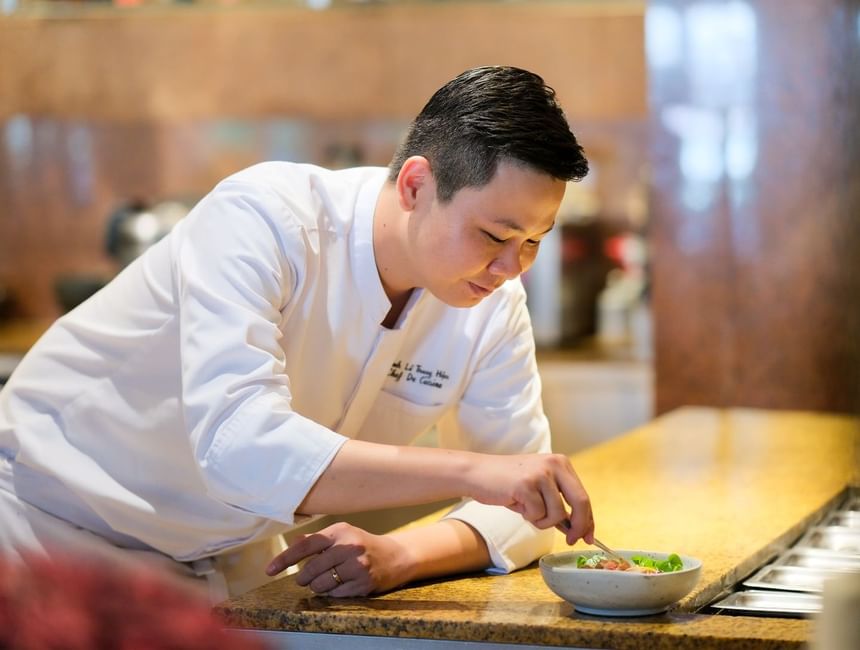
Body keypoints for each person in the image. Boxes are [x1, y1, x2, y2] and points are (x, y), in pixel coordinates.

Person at [0, 65, 594, 602]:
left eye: (534, 241)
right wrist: (472, 471)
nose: (513, 266)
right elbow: (241, 447)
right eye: (495, 235)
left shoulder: (490, 300)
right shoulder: (265, 219)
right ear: (416, 185)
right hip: (51, 528)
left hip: (222, 558)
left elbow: (527, 503)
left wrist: (405, 553)